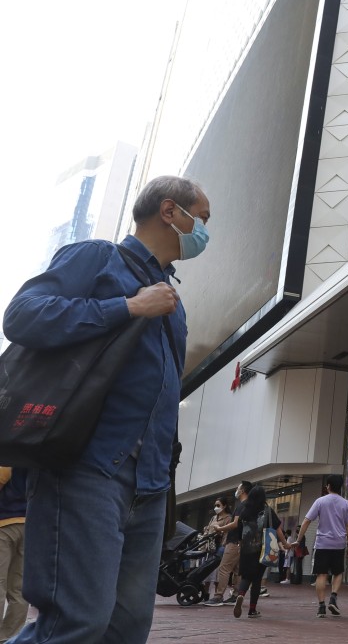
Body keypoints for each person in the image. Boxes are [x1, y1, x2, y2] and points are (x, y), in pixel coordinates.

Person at [4, 176, 210, 644]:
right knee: (76, 624)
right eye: (202, 217)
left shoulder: (172, 300)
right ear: (169, 211)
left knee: (127, 628)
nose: (204, 231)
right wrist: (128, 307)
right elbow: (22, 315)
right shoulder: (98, 258)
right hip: (88, 467)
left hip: (150, 483)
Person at [214, 484, 288, 619]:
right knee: (257, 579)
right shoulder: (268, 510)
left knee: (246, 576)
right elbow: (278, 529)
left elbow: (239, 529)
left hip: (246, 549)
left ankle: (240, 594)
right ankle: (252, 610)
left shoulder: (245, 510)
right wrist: (285, 544)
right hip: (262, 549)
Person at [296, 474, 348, 618]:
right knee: (338, 572)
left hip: (322, 543)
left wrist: (299, 539)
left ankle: (321, 606)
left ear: (328, 486)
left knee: (321, 575)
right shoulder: (345, 503)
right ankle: (333, 597)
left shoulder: (320, 501)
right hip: (339, 544)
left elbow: (306, 521)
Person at [207, 482, 250, 606]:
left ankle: (218, 596)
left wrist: (219, 528)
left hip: (234, 541)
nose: (236, 490)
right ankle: (236, 595)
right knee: (237, 570)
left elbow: (236, 523)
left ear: (242, 491)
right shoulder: (250, 505)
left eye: (238, 488)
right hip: (242, 543)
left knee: (224, 568)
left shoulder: (241, 505)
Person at [0, 467, 28, 641]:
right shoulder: (34, 454)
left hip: (3, 524)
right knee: (19, 588)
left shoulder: (8, 454)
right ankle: (10, 636)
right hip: (28, 524)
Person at [201, 497, 231, 600]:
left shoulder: (228, 518)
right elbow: (207, 530)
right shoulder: (213, 518)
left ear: (224, 506)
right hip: (210, 547)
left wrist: (223, 545)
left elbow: (227, 533)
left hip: (220, 547)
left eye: (218, 505)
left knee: (218, 572)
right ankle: (205, 593)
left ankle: (218, 595)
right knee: (207, 571)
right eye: (215, 505)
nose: (216, 508)